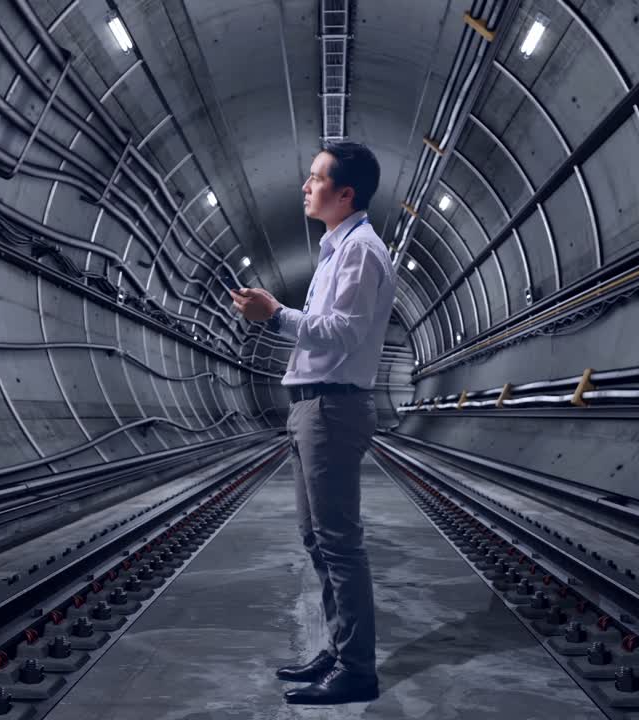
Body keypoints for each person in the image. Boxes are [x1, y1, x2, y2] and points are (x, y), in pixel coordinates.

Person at [229, 140, 396, 705]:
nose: (305, 186)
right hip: (312, 406)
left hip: (332, 407)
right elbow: (327, 326)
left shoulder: (361, 252)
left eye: (315, 178)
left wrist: (274, 313)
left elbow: (342, 332)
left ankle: (356, 670)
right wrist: (275, 314)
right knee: (317, 539)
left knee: (339, 543)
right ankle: (339, 647)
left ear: (345, 193)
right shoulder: (334, 251)